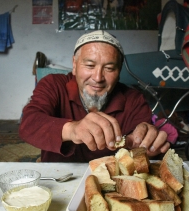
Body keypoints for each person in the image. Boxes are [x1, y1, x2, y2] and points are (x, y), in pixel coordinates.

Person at [19, 30, 170, 162]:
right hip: (60, 179)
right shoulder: (53, 84)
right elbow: (29, 123)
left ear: (119, 72)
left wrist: (147, 146)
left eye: (109, 68)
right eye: (90, 66)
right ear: (74, 64)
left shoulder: (134, 100)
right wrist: (73, 129)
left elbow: (140, 151)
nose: (98, 78)